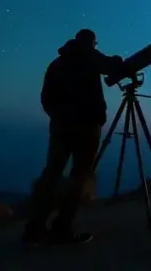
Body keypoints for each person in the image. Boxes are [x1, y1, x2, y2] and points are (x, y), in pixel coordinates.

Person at [24, 29, 125, 247]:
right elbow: (110, 67)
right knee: (79, 176)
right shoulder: (90, 56)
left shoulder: (57, 64)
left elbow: (46, 98)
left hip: (60, 127)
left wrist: (58, 117)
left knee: (51, 174)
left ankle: (34, 230)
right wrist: (117, 60)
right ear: (92, 43)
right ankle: (62, 229)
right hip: (87, 127)